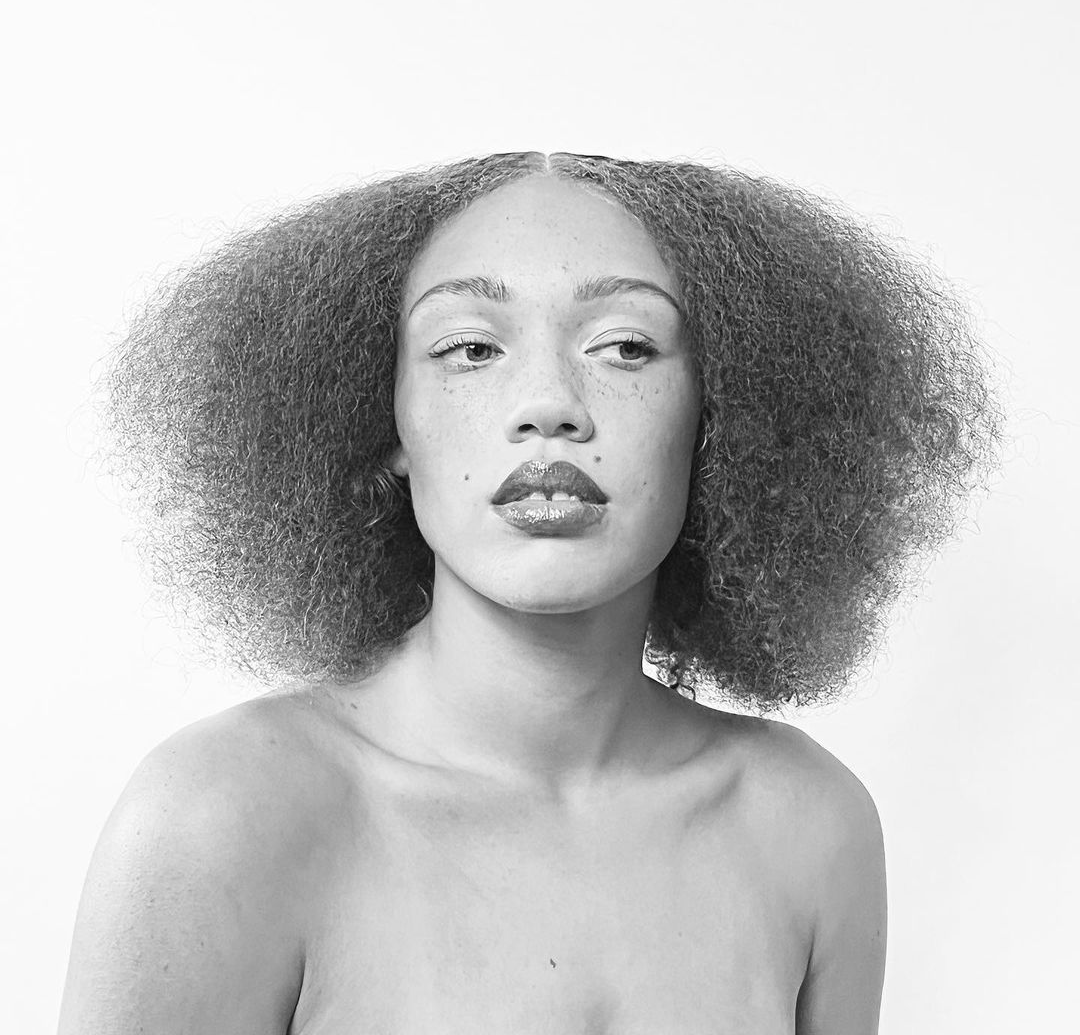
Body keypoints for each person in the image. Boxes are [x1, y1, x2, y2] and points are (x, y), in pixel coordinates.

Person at [59, 152, 1004, 1033]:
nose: (548, 403)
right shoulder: (226, 817)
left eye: (625, 347)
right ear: (384, 418)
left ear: (721, 416)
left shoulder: (808, 827)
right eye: (471, 349)